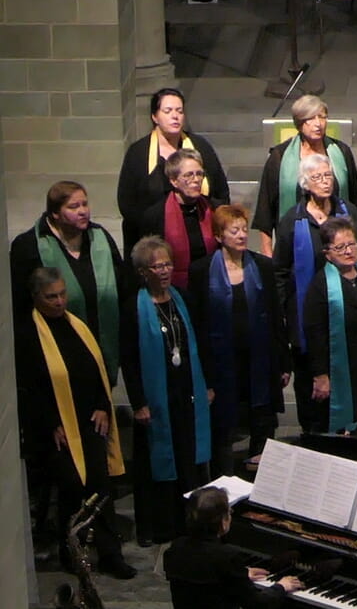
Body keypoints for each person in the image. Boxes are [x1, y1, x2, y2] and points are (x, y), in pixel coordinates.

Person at [16, 267, 135, 579]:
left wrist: (102, 407)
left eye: (61, 294)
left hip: (89, 421)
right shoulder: (27, 334)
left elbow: (95, 370)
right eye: (51, 297)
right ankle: (73, 552)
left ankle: (110, 554)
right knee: (72, 487)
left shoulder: (76, 325)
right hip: (55, 431)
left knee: (100, 486)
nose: (58, 302)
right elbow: (29, 388)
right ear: (36, 298)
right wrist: (51, 423)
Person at [272, 154, 357, 434]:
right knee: (313, 396)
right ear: (305, 183)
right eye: (317, 177)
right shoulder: (292, 220)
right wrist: (285, 315)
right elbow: (280, 271)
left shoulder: (348, 212)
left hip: (348, 314)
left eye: (328, 175)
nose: (324, 182)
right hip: (308, 317)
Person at [121, 236, 212, 545]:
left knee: (188, 458)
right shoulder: (133, 308)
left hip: (186, 390)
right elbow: (129, 359)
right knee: (154, 465)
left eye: (167, 264)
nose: (164, 271)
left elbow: (198, 345)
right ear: (143, 272)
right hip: (155, 398)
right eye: (156, 266)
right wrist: (139, 403)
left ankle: (187, 521)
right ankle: (156, 527)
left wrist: (207, 385)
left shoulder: (182, 299)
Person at [187, 205, 289, 474]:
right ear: (219, 236)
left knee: (263, 421)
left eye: (244, 229)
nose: (242, 235)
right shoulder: (201, 270)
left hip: (260, 361)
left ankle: (262, 478)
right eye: (235, 231)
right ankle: (224, 481)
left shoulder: (264, 266)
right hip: (221, 365)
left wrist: (283, 362)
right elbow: (197, 323)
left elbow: (276, 316)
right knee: (223, 428)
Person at [164, 487, 303, 609]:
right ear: (223, 523)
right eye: (229, 513)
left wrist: (240, 573)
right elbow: (255, 606)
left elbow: (204, 575)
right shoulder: (226, 557)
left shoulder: (176, 548)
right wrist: (281, 587)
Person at [10, 181, 126, 383]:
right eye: (73, 207)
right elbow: (19, 305)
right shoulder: (28, 246)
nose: (83, 211)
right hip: (55, 349)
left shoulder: (100, 238)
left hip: (100, 343)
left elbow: (123, 284)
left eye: (85, 204)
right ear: (54, 213)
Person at [303, 217, 357, 434]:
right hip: (343, 369)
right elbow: (315, 333)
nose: (348, 251)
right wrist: (321, 374)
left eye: (351, 244)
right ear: (328, 253)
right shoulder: (321, 285)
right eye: (340, 247)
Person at [117, 87, 230, 255]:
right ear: (154, 116)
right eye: (168, 111)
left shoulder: (201, 147)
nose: (175, 116)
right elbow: (127, 202)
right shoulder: (138, 152)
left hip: (198, 232)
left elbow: (220, 192)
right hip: (153, 238)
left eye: (179, 111)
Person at [251, 94, 357, 255]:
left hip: (337, 241)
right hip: (296, 241)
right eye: (310, 118)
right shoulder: (280, 156)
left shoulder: (342, 152)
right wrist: (267, 251)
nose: (318, 124)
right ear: (299, 123)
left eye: (322, 117)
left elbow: (355, 201)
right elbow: (266, 208)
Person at [141, 148, 223, 290]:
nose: (196, 180)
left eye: (199, 174)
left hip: (212, 286)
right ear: (174, 181)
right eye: (189, 175)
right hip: (172, 290)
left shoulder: (214, 209)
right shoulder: (155, 216)